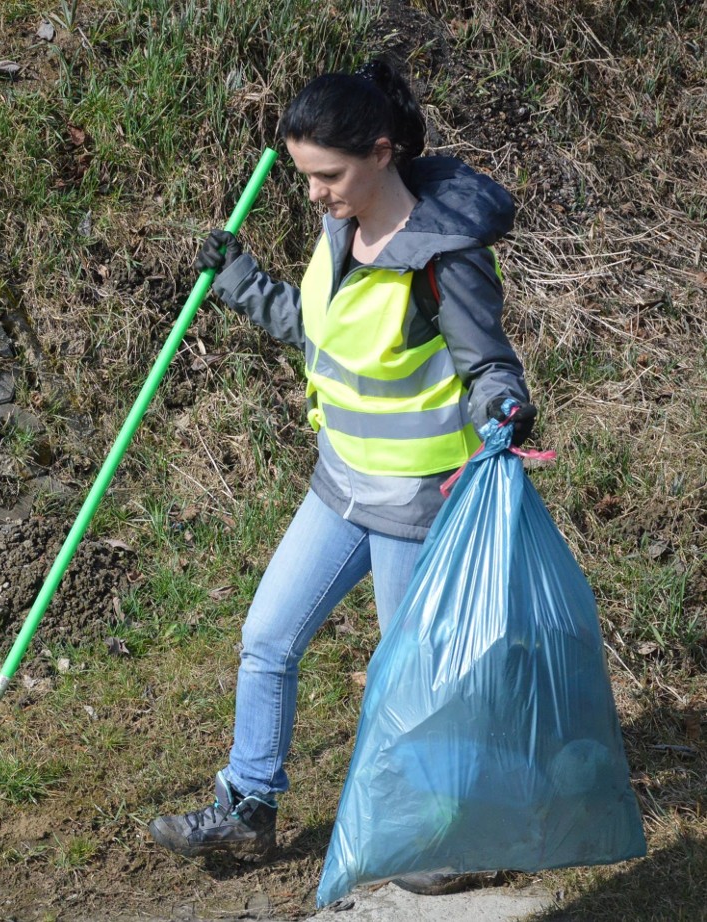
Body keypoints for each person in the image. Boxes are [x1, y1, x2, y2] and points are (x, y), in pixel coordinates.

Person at [149, 60, 535, 891]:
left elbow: (489, 366)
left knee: (414, 678)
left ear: (383, 153)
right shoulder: (342, 233)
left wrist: (505, 408)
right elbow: (321, 333)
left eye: (327, 176)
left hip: (416, 503)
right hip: (339, 487)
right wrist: (241, 280)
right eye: (304, 177)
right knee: (266, 639)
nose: (315, 194)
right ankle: (248, 805)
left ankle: (444, 836)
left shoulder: (443, 260)